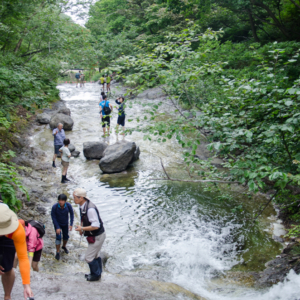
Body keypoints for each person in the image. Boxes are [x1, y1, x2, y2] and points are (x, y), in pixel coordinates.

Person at [0, 205, 34, 300]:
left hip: (9, 238)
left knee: (7, 267)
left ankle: (7, 296)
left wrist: (26, 285)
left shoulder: (17, 229)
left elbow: (23, 257)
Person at [73, 188, 106, 281]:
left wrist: (82, 228)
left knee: (88, 257)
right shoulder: (83, 205)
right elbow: (84, 218)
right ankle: (96, 273)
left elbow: (96, 226)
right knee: (95, 255)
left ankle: (95, 275)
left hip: (98, 236)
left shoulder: (90, 209)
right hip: (95, 235)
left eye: (75, 197)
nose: (73, 199)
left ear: (81, 198)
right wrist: (81, 228)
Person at [51, 194, 74, 260]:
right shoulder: (55, 207)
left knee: (66, 236)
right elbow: (53, 217)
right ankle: (57, 252)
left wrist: (71, 224)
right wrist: (57, 227)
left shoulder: (68, 206)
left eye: (62, 200)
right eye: (59, 200)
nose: (61, 202)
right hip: (58, 223)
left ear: (65, 201)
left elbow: (72, 214)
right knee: (58, 237)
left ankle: (64, 246)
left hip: (65, 223)